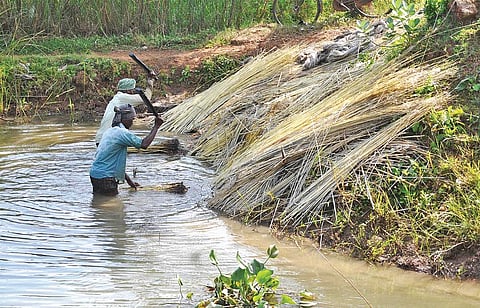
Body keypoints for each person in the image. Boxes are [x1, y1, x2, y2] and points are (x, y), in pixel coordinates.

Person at [90, 104, 163, 196]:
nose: (132, 123)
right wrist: (156, 126)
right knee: (114, 207)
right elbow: (144, 144)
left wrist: (129, 182)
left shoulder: (109, 131)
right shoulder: (122, 133)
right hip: (106, 178)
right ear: (125, 119)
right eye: (132, 119)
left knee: (99, 201)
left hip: (95, 175)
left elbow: (112, 163)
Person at [95, 74, 155, 146]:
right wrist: (150, 81)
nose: (133, 92)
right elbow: (146, 98)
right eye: (132, 90)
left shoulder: (117, 98)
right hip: (109, 137)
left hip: (102, 137)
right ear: (128, 91)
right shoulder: (122, 97)